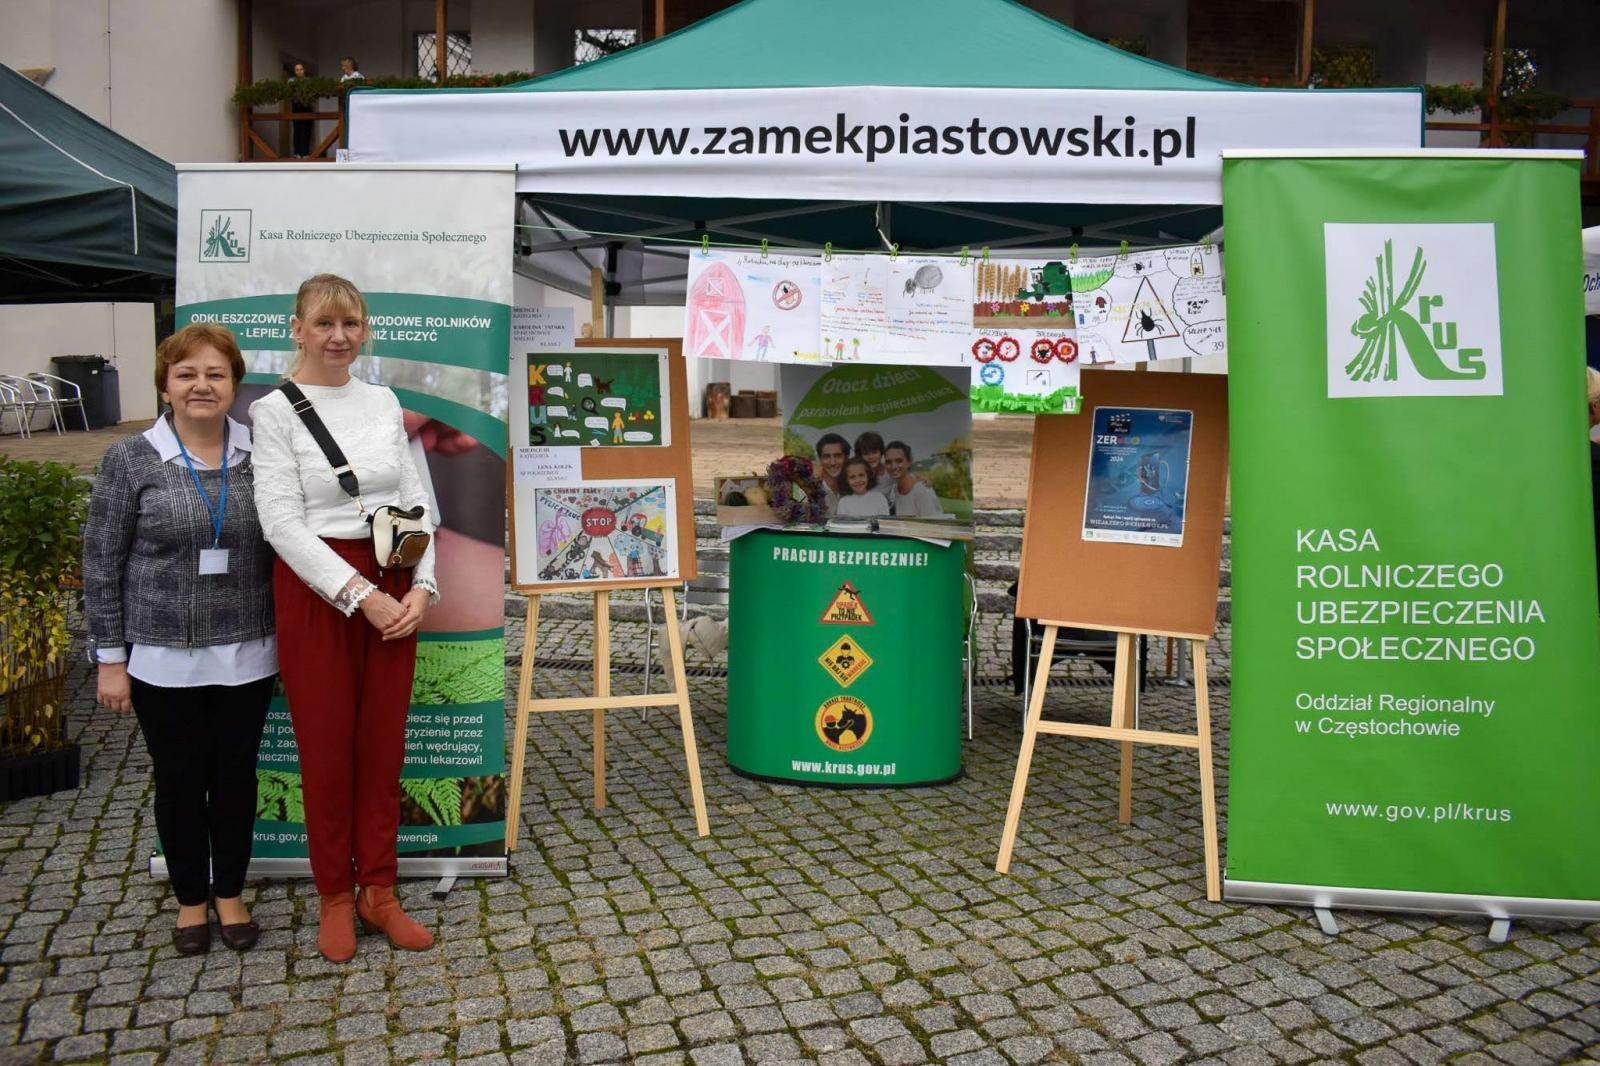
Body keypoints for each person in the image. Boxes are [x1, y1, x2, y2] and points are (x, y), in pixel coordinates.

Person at [249, 274, 438, 963]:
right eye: (324, 324)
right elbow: (281, 524)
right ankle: (334, 893)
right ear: (295, 328)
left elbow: (418, 504)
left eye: (351, 325)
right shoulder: (272, 412)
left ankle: (379, 891)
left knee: (383, 748)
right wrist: (362, 594)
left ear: (364, 331)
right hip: (319, 592)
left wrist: (423, 587)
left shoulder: (384, 400)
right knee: (327, 751)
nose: (339, 338)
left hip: (395, 581)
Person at [82, 323, 277, 956]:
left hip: (248, 651)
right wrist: (110, 659)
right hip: (162, 658)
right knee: (178, 780)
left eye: (215, 374)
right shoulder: (131, 459)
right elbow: (101, 563)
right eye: (186, 373)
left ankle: (231, 894)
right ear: (165, 384)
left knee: (237, 780)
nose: (201, 385)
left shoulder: (262, 454)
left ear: (234, 385)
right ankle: (191, 899)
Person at [884, 440, 943, 518]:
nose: (893, 466)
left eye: (899, 461)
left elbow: (933, 525)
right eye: (888, 462)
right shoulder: (894, 490)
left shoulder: (922, 490)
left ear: (909, 462)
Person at [853, 430, 894, 499]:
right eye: (866, 453)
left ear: (881, 452)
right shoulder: (855, 475)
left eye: (874, 452)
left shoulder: (890, 471)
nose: (871, 457)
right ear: (860, 456)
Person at [814, 433, 849, 514]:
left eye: (837, 456)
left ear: (846, 458)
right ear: (820, 459)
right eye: (826, 456)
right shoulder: (812, 488)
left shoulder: (855, 485)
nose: (832, 462)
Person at [288, 62, 313, 159]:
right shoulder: (291, 81)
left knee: (306, 130)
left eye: (301, 69)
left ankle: (305, 153)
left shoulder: (309, 81)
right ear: (295, 71)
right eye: (297, 70)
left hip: (307, 106)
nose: (299, 71)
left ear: (304, 70)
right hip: (296, 107)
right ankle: (297, 152)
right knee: (297, 130)